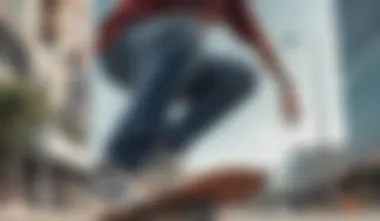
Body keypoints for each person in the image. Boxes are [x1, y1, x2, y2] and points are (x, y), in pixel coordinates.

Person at [96, 0, 300, 203]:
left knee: (239, 78)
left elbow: (259, 41)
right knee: (182, 32)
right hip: (122, 47)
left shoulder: (235, 5)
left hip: (175, 61)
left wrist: (286, 87)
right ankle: (120, 162)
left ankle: (163, 152)